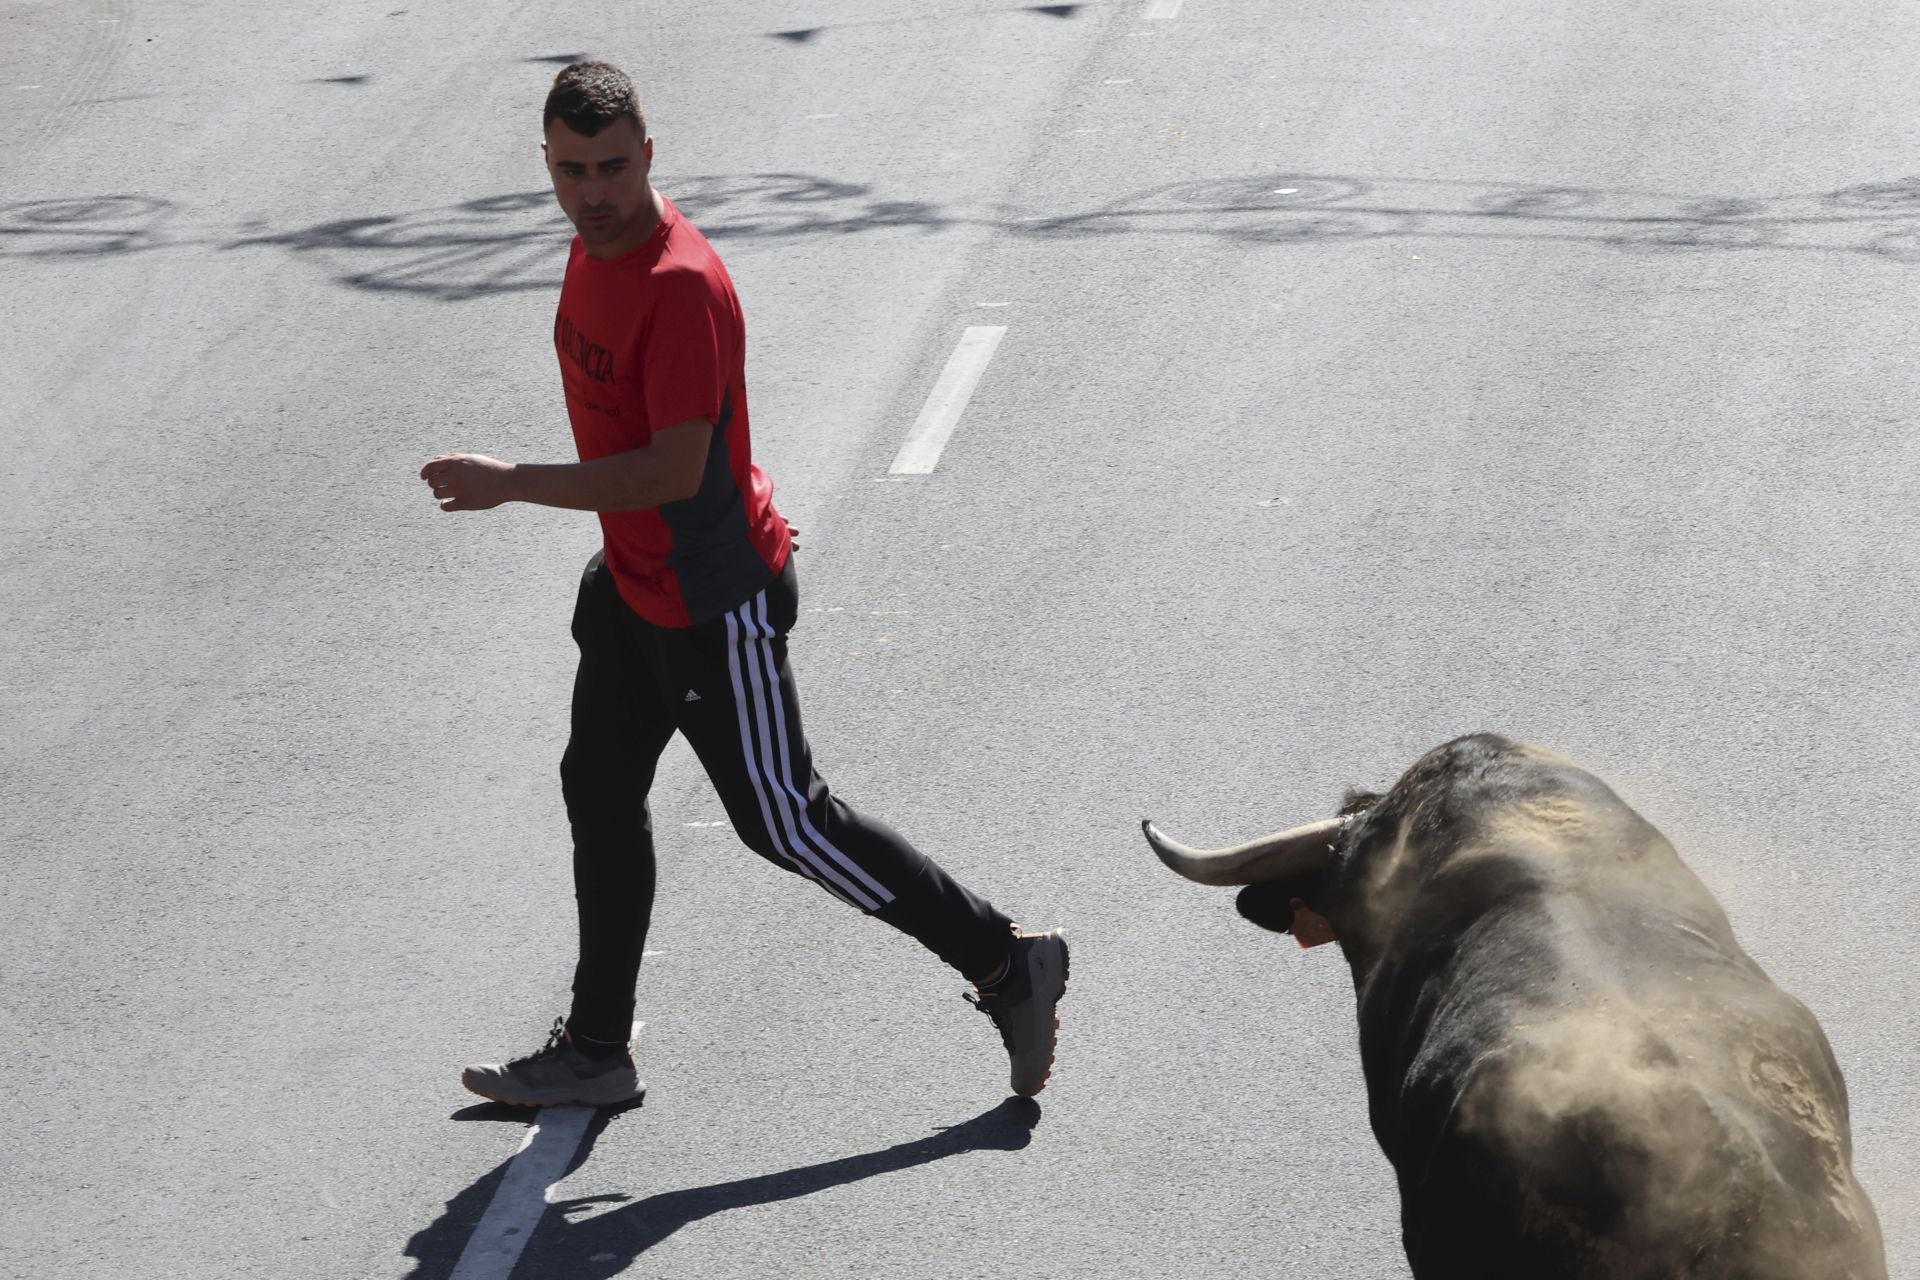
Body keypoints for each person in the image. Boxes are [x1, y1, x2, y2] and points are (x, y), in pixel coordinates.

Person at [419, 61, 1066, 1107]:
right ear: (546, 162)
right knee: (599, 789)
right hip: (633, 589)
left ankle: (1004, 958)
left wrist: (510, 484)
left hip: (712, 603)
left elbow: (673, 468)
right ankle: (596, 1047)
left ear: (650, 155)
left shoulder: (677, 285)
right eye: (573, 169)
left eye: (615, 167)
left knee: (788, 821)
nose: (595, 191)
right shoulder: (593, 250)